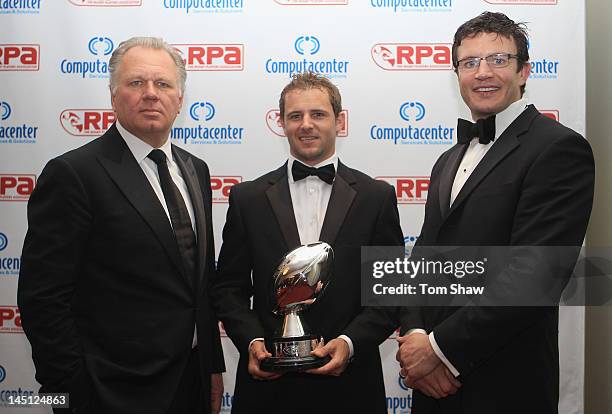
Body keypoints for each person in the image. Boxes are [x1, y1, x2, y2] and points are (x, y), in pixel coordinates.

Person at [396, 12, 595, 414]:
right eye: (470, 62)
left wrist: (437, 349)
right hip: (433, 390)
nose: (483, 73)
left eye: (498, 60)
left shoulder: (558, 148)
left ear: (524, 71)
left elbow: (534, 275)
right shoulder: (447, 160)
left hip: (506, 385)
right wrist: (417, 334)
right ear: (457, 74)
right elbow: (425, 261)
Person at [18, 37, 224, 414]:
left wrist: (212, 366)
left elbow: (199, 283)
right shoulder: (74, 174)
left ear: (180, 99)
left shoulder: (196, 170)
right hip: (109, 392)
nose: (150, 94)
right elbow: (42, 298)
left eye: (162, 84)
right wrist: (72, 391)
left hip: (189, 384)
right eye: (136, 83)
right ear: (113, 97)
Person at [212, 72, 403, 413]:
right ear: (281, 123)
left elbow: (389, 294)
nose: (306, 125)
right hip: (268, 386)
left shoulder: (377, 197)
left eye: (318, 114)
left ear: (339, 121)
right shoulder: (247, 198)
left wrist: (348, 343)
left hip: (352, 387)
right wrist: (253, 343)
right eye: (295, 116)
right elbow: (229, 289)